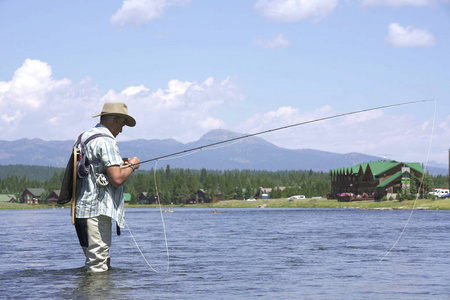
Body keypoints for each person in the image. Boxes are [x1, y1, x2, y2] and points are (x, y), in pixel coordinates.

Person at [74, 102, 140, 272]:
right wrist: (132, 166)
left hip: (81, 211)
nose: (122, 130)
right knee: (98, 264)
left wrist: (119, 163)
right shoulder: (107, 141)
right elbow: (117, 179)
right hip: (98, 211)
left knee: (94, 259)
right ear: (116, 120)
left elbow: (94, 169)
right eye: (122, 125)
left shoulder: (84, 137)